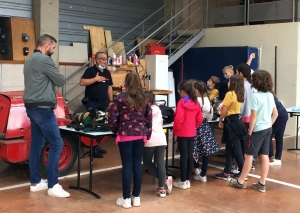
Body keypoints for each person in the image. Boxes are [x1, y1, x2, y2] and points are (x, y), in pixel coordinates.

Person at [23, 34, 70, 198]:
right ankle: (53, 185)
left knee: (37, 143)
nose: (54, 50)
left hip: (31, 107)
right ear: (47, 45)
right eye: (54, 47)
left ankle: (35, 182)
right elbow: (61, 80)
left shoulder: (29, 60)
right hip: (43, 108)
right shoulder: (44, 60)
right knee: (57, 143)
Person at [229, 70, 278, 193]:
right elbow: (275, 114)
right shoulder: (270, 95)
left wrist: (250, 132)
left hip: (257, 130)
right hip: (267, 129)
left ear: (256, 81)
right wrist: (268, 125)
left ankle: (240, 181)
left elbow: (253, 116)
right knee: (264, 155)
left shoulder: (255, 96)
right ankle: (262, 183)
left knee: (248, 155)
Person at [108, 72, 152, 209]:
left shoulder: (119, 99)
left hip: (125, 136)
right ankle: (136, 197)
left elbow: (112, 119)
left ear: (126, 83)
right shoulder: (144, 99)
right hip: (140, 135)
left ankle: (126, 199)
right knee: (137, 165)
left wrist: (116, 131)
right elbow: (149, 118)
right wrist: (147, 133)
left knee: (127, 166)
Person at [80, 51, 113, 158]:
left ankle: (96, 146)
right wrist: (95, 79)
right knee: (92, 125)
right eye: (102, 59)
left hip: (102, 102)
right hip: (92, 102)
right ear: (97, 60)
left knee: (101, 125)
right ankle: (92, 148)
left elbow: (109, 87)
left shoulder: (107, 73)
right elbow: (82, 82)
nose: (104, 61)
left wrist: (111, 101)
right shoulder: (90, 70)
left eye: (106, 59)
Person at [172, 80, 203, 189]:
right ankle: (187, 181)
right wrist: (193, 125)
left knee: (183, 157)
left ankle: (183, 181)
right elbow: (200, 118)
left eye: (179, 91)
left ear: (183, 91)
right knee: (190, 156)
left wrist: (175, 129)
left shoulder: (182, 102)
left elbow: (179, 118)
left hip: (182, 132)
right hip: (191, 132)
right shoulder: (196, 102)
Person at [215, 75, 246, 181]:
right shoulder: (240, 93)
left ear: (233, 83)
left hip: (231, 121)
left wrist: (220, 120)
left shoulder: (230, 94)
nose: (227, 83)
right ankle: (227, 171)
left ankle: (243, 172)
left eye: (229, 81)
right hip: (238, 120)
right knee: (230, 147)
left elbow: (224, 110)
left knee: (236, 148)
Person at [143, 91, 173, 198]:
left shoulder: (145, 110)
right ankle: (162, 188)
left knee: (147, 162)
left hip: (150, 139)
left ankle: (164, 179)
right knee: (160, 161)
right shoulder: (158, 109)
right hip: (161, 138)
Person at [193, 81, 220, 182]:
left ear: (196, 89)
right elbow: (209, 116)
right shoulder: (207, 100)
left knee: (194, 148)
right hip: (204, 125)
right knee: (205, 151)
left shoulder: (194, 99)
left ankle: (196, 168)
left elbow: (185, 100)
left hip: (196, 125)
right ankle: (203, 173)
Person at [269, 94, 288, 165]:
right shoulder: (272, 95)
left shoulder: (268, 96)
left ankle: (271, 158)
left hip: (279, 115)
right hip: (284, 114)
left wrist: (270, 124)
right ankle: (278, 158)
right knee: (279, 137)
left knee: (268, 135)